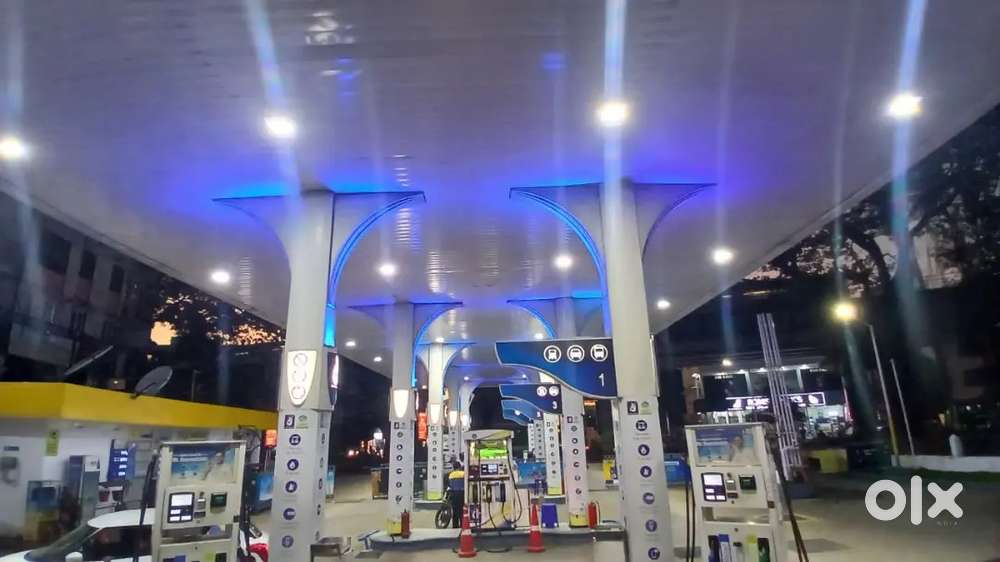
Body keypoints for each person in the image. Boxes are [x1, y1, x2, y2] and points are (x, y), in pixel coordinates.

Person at [446, 460, 466, 528]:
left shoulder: (451, 475)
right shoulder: (463, 474)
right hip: (462, 494)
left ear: (453, 467)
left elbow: (450, 485)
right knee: (462, 510)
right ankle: (462, 525)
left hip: (454, 494)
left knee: (455, 511)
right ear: (459, 467)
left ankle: (455, 526)